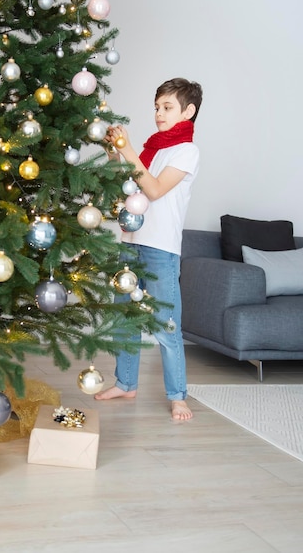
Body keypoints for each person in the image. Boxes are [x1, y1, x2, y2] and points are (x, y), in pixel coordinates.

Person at [95, 77, 203, 421]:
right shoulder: (151, 149)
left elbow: (153, 190)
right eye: (157, 107)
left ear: (188, 111)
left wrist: (128, 152)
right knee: (123, 319)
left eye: (167, 107)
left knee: (166, 325)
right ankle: (126, 383)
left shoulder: (187, 151)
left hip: (160, 248)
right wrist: (115, 151)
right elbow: (129, 183)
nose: (159, 114)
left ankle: (178, 395)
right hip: (131, 242)